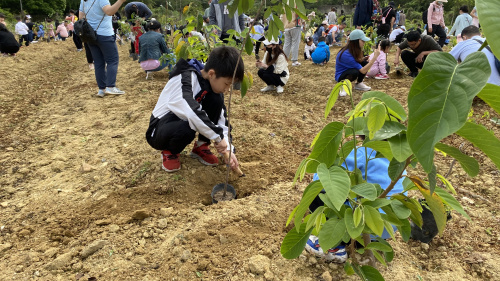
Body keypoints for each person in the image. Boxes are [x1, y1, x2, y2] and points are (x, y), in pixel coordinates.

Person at [145, 46, 243, 172]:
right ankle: (170, 152)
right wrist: (218, 137)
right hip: (160, 129)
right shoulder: (185, 77)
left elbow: (221, 119)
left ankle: (201, 146)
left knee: (216, 100)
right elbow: (191, 112)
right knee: (187, 127)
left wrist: (228, 149)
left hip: (184, 121)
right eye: (226, 83)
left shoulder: (210, 83)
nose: (227, 89)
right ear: (212, 74)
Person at [305, 144, 406, 262]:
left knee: (317, 192)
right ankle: (363, 242)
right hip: (386, 227)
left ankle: (333, 246)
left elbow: (321, 179)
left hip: (362, 224)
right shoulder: (399, 158)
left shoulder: (361, 152)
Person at [79, 0, 127, 97]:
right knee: (112, 60)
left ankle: (102, 89)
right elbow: (109, 12)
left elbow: (81, 17)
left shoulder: (83, 1)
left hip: (91, 36)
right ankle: (110, 87)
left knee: (98, 62)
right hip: (105, 34)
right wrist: (120, 1)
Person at [335, 29, 380, 95]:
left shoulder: (352, 49)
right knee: (354, 72)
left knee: (364, 63)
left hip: (348, 69)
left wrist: (363, 59)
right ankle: (343, 86)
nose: (364, 43)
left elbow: (356, 61)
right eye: (362, 41)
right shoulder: (346, 54)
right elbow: (363, 71)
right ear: (356, 41)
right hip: (341, 76)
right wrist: (375, 57)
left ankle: (359, 83)